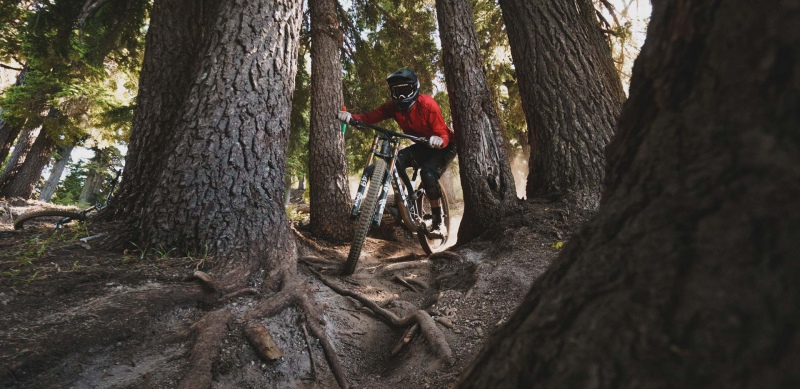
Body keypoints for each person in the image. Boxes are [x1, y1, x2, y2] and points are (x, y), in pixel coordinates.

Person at [337, 68, 456, 238]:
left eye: (405, 91)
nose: (400, 97)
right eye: (396, 92)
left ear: (415, 89)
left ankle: (438, 223)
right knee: (397, 159)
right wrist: (350, 117)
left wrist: (439, 141)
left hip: (444, 146)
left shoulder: (428, 104)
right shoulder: (393, 107)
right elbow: (369, 117)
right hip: (423, 145)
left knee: (428, 174)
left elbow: (443, 133)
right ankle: (404, 201)